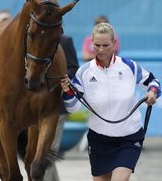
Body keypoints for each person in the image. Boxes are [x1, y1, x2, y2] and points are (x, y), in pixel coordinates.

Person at [61, 23, 161, 181]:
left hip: (129, 138)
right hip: (99, 140)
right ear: (91, 43)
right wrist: (67, 91)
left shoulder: (129, 66)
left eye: (106, 45)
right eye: (97, 45)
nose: (101, 50)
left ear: (114, 43)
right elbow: (72, 108)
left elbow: (153, 81)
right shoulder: (84, 72)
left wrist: (152, 92)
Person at [17, 34, 79, 181]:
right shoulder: (29, 42)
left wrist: (58, 78)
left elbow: (73, 68)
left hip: (55, 109)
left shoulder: (64, 41)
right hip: (32, 110)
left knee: (45, 154)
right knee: (39, 155)